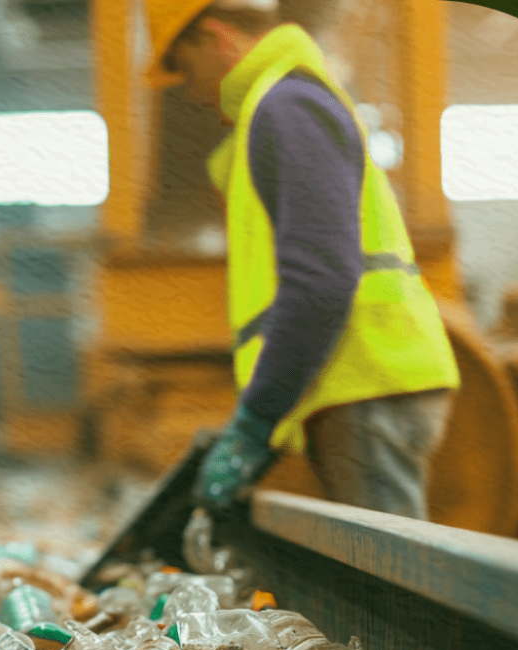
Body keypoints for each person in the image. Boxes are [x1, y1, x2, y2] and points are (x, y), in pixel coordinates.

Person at [145, 0, 461, 520]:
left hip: (364, 381)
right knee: (376, 579)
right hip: (358, 383)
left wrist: (257, 418)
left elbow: (320, 280)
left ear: (215, 37)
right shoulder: (281, 106)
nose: (188, 86)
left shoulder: (287, 106)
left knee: (389, 591)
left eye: (182, 63)